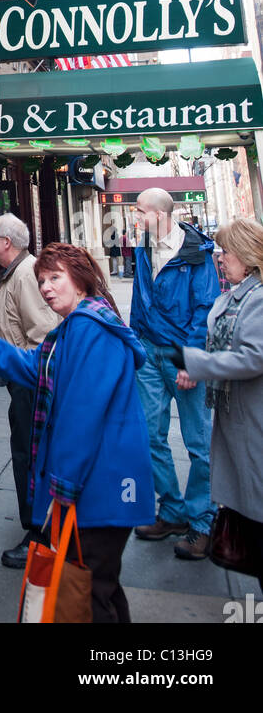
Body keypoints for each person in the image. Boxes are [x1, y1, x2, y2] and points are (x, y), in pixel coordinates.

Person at [0, 243, 155, 624]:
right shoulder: (73, 328)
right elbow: (34, 367)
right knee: (98, 585)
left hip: (100, 488)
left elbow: (83, 415)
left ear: (80, 281)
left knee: (88, 591)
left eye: (55, 278)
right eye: (42, 280)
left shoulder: (88, 329)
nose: (46, 287)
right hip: (98, 487)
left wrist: (63, 488)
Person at [131, 188, 221, 559]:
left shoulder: (197, 254)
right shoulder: (143, 246)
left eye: (139, 211)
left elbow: (206, 308)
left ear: (158, 214)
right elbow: (140, 298)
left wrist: (191, 361)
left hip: (181, 355)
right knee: (150, 435)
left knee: (198, 442)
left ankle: (202, 522)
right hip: (149, 353)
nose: (135, 217)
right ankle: (171, 511)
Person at [173, 218, 263, 587]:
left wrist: (195, 362)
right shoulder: (236, 295)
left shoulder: (256, 299)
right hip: (237, 420)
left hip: (253, 424)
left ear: (247, 254)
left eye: (226, 251)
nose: (220, 258)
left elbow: (253, 357)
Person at [0, 214, 60, 569]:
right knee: (27, 452)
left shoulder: (25, 275)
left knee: (29, 454)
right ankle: (40, 526)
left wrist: (26, 372)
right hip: (23, 379)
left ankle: (39, 533)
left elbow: (43, 332)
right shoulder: (15, 273)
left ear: (7, 243)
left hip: (31, 382)